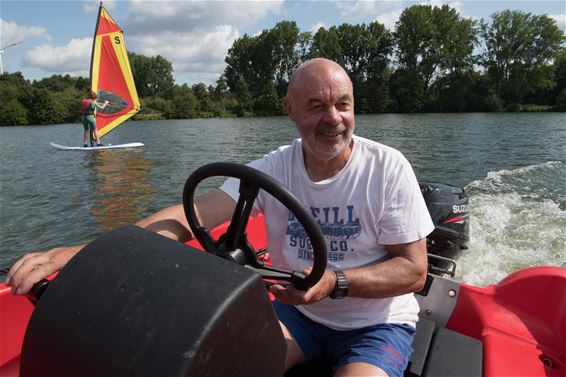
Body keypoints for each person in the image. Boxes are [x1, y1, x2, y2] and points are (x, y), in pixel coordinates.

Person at [7, 58, 433, 377]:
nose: (333, 119)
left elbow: (414, 272)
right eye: (317, 105)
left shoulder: (388, 168)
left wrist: (336, 282)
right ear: (289, 109)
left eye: (343, 104)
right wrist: (84, 253)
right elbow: (189, 214)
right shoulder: (273, 169)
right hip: (298, 317)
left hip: (375, 324)